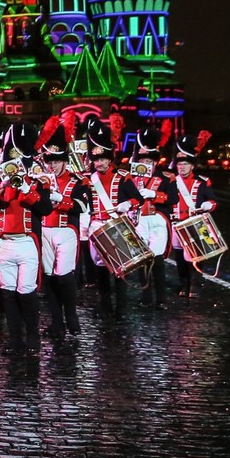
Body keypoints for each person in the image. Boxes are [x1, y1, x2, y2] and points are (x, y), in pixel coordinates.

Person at [0, 122, 54, 358]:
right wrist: (1, 186)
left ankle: (32, 334)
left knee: (27, 292)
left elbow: (44, 209)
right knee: (8, 293)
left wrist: (26, 189)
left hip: (27, 243)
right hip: (5, 244)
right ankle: (14, 337)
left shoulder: (37, 183)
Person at [36, 117, 88, 352]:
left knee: (64, 275)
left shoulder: (78, 181)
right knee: (49, 277)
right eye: (49, 161)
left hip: (67, 230)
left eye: (57, 161)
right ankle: (57, 322)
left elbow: (82, 206)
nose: (52, 166)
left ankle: (71, 315)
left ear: (65, 161)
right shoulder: (40, 180)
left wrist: (62, 201)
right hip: (45, 229)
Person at [83, 116, 143, 316]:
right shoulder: (88, 180)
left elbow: (138, 199)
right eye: (96, 159)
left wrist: (128, 204)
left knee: (120, 266)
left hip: (116, 224)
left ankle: (122, 307)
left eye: (102, 159)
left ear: (109, 159)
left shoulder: (122, 177)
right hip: (96, 226)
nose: (99, 163)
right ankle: (105, 305)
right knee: (100, 268)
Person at [168, 130, 218, 300]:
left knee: (196, 256)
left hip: (194, 222)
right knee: (180, 257)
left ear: (192, 165)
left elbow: (212, 201)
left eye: (185, 164)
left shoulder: (202, 181)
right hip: (176, 223)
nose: (181, 167)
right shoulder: (171, 181)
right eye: (179, 164)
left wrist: (207, 205)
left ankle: (195, 282)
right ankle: (183, 282)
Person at [129, 125, 173, 310]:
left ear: (155, 161)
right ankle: (146, 296)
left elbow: (173, 198)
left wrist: (155, 195)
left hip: (157, 220)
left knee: (157, 259)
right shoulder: (131, 178)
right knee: (142, 260)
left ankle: (161, 298)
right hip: (139, 220)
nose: (146, 163)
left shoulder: (166, 178)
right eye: (143, 159)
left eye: (149, 160)